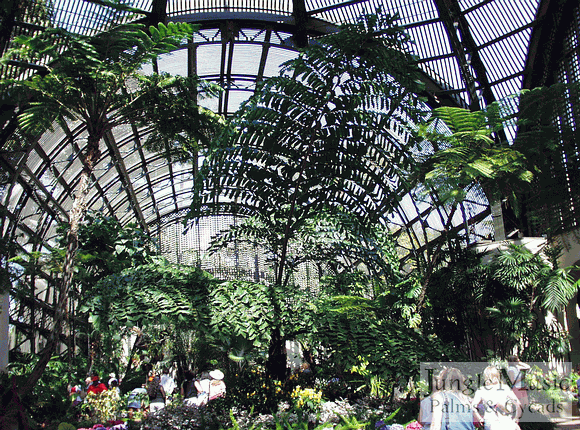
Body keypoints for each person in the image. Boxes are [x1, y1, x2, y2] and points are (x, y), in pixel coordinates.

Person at [472, 365, 521, 430]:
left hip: (491, 423)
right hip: (506, 422)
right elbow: (518, 403)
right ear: (498, 375)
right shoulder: (504, 388)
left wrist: (480, 418)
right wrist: (516, 418)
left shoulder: (481, 390)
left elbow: (472, 407)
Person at [507, 354, 530, 419]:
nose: (518, 360)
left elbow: (527, 367)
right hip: (517, 388)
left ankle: (524, 419)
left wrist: (519, 362)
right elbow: (512, 381)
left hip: (522, 388)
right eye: (517, 359)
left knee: (526, 404)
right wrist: (521, 378)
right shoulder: (511, 369)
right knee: (520, 405)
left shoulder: (517, 367)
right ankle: (518, 419)